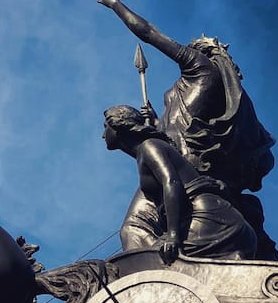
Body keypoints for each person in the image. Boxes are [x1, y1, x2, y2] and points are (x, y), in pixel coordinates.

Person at [97, 0, 278, 259]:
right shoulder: (204, 89)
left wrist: (116, 6)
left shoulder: (199, 67)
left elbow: (150, 33)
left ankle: (156, 265)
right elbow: (176, 129)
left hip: (178, 170)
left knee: (133, 228)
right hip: (177, 162)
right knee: (134, 228)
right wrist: (155, 124)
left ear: (201, 52)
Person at [103, 105, 257, 263]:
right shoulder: (147, 150)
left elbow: (171, 182)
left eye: (105, 126)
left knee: (150, 260)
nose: (103, 135)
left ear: (118, 125)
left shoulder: (149, 146)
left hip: (211, 223)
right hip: (217, 221)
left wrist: (173, 235)